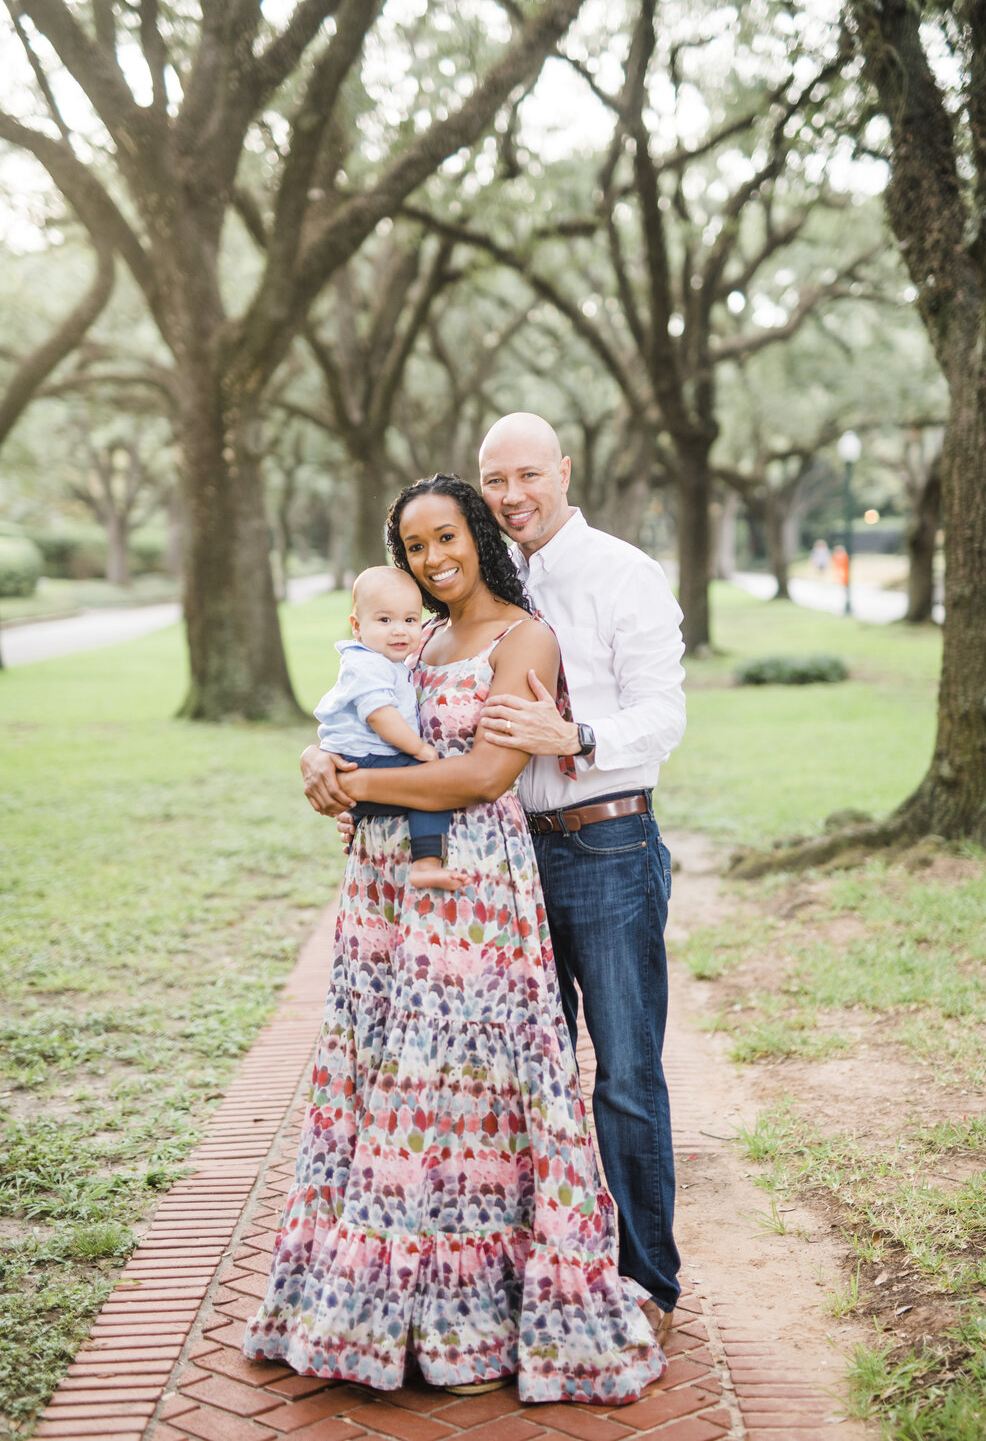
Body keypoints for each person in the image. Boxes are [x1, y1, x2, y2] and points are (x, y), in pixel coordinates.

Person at [245, 474, 665, 1405]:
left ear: (476, 532)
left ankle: (477, 1314)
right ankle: (377, 1313)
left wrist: (358, 786)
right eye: (415, 547)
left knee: (467, 1090)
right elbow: (352, 722)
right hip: (387, 894)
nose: (433, 560)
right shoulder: (413, 635)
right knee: (389, 1083)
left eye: (447, 538)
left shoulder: (528, 639)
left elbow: (482, 777)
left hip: (474, 894)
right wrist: (321, 759)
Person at [474, 413, 686, 1346]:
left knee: (627, 1074)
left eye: (528, 474)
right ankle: (553, 1267)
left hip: (608, 847)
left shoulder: (624, 572)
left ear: (564, 470)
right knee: (533, 1072)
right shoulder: (484, 586)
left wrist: (579, 739)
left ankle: (647, 1281)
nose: (513, 495)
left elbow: (663, 714)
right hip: (510, 856)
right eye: (494, 482)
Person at [314, 564, 465, 890]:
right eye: (385, 620)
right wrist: (419, 749)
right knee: (432, 788)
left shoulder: (385, 662)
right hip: (366, 758)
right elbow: (380, 716)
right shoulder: (368, 665)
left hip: (361, 758)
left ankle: (356, 828)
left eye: (410, 620)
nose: (399, 630)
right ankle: (426, 863)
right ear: (357, 626)